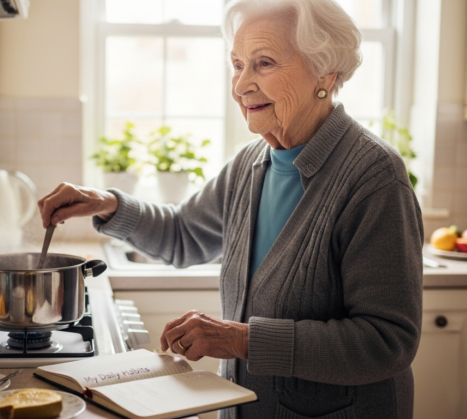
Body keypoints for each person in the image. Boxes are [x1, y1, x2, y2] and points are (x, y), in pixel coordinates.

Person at [38, 0, 423, 417]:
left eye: (264, 63)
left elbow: (387, 342)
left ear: (325, 74)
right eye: (237, 64)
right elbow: (185, 234)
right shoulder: (250, 163)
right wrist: (107, 204)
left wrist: (240, 340)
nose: (241, 85)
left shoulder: (374, 177)